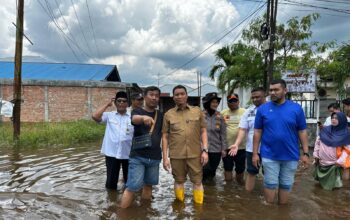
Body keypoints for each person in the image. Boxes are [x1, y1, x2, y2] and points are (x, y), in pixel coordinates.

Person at [252, 79, 310, 205]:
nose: (272, 92)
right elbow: (257, 132)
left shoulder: (296, 109)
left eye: (276, 90)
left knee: (286, 185)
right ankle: (270, 213)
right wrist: (255, 154)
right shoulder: (263, 109)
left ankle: (282, 211)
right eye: (271, 90)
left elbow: (302, 131)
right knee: (270, 184)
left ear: (285, 90)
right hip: (269, 154)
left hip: (291, 155)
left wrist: (305, 153)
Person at [162, 85, 208, 204]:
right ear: (173, 97)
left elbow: (203, 131)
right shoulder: (168, 114)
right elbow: (165, 136)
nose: (180, 96)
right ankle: (179, 208)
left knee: (197, 181)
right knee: (179, 181)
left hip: (195, 154)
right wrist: (165, 157)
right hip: (177, 155)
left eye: (182, 93)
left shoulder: (197, 111)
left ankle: (198, 209)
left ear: (186, 95)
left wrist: (205, 151)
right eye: (177, 94)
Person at [120, 86, 163, 208]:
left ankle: (145, 211)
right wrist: (143, 118)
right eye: (151, 94)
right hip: (138, 157)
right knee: (132, 187)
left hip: (155, 158)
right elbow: (134, 119)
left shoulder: (160, 115)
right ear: (144, 96)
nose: (154, 97)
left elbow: (165, 135)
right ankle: (122, 214)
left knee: (149, 185)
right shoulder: (137, 111)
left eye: (157, 95)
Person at [92, 91, 133, 190]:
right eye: (119, 101)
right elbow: (95, 116)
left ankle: (126, 200)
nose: (121, 103)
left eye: (124, 101)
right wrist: (107, 104)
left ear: (127, 103)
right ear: (115, 103)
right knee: (111, 182)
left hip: (128, 153)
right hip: (112, 154)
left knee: (129, 182)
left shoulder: (132, 116)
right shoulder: (109, 115)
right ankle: (110, 200)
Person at [229, 87, 266, 192]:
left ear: (264, 96)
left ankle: (269, 196)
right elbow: (242, 130)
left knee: (270, 174)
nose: (255, 99)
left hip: (269, 148)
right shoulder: (249, 112)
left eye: (257, 97)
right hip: (251, 149)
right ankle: (248, 196)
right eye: (253, 97)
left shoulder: (272, 110)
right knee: (251, 172)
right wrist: (236, 144)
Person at [313, 112, 350, 190]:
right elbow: (318, 142)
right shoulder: (325, 130)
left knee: (333, 188)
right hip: (322, 162)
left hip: (334, 164)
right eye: (332, 117)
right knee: (321, 187)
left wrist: (340, 161)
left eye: (336, 118)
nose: (333, 119)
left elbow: (347, 149)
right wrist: (316, 155)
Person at [201, 92, 227, 182]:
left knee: (212, 172)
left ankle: (211, 192)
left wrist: (224, 149)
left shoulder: (220, 116)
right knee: (204, 171)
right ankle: (203, 192)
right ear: (207, 103)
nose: (215, 104)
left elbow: (223, 134)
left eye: (216, 102)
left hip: (216, 150)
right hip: (203, 149)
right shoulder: (200, 115)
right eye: (213, 102)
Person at [220, 93, 246, 184]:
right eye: (230, 101)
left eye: (235, 101)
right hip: (227, 147)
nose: (233, 103)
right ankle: (228, 188)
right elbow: (218, 129)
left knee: (240, 169)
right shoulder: (223, 113)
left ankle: (239, 186)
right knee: (227, 168)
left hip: (241, 147)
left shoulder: (245, 112)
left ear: (238, 102)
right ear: (227, 103)